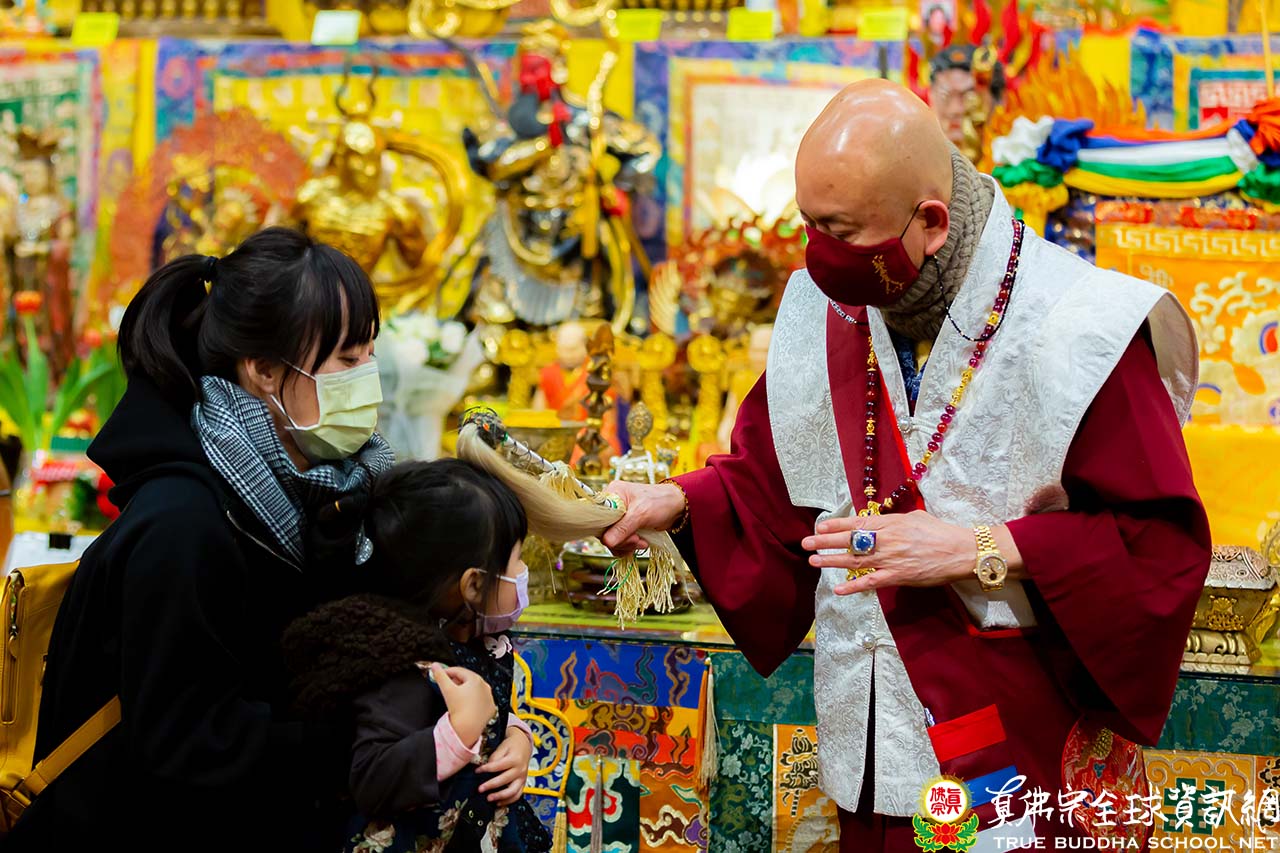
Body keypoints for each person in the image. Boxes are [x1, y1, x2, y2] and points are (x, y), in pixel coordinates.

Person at [601, 80, 1211, 851]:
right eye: (809, 225)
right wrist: (677, 501)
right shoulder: (823, 308)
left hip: (1017, 736)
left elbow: (1154, 543)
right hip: (872, 735)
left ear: (930, 222)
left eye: (842, 232)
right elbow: (776, 478)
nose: (820, 255)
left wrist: (977, 546)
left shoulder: (1078, 326)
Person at [7, 227, 394, 851]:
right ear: (263, 369)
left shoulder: (319, 499)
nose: (369, 379)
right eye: (348, 361)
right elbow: (189, 742)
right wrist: (370, 747)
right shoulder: (183, 525)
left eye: (372, 353)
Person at [282, 459, 551, 853]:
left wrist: (514, 736)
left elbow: (485, 708)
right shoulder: (401, 664)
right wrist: (460, 731)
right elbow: (373, 777)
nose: (523, 572)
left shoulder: (470, 638)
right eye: (517, 561)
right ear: (474, 585)